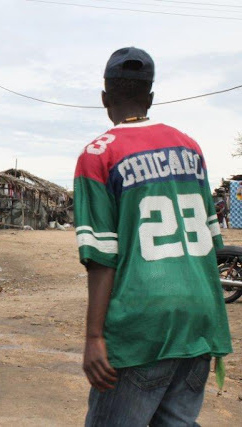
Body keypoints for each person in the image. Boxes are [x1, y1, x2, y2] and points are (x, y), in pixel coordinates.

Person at [74, 47, 232, 426]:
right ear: (151, 97)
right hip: (200, 318)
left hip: (142, 325)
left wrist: (94, 337)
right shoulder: (189, 148)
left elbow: (102, 257)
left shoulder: (98, 155)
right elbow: (212, 245)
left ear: (104, 98)